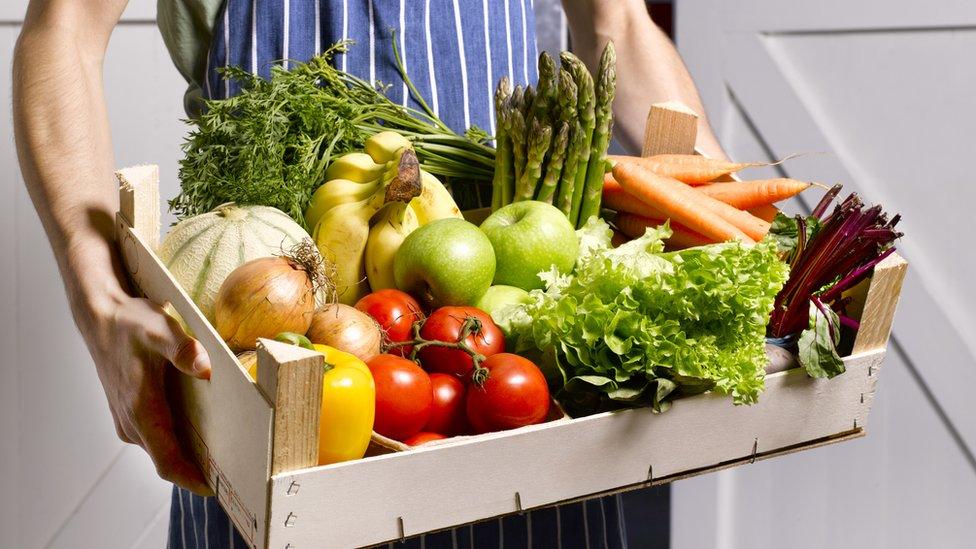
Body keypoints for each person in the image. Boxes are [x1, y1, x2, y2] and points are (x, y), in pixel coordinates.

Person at [12, 0, 722, 547]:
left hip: (496, 395)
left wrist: (722, 214)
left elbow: (619, 21)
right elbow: (65, 31)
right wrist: (94, 292)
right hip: (267, 398)